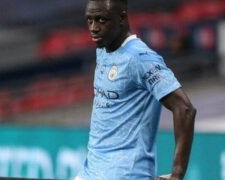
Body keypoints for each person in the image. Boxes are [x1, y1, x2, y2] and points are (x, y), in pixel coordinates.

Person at [76, 0, 196, 179]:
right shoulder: (103, 47)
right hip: (92, 170)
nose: (93, 28)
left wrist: (177, 174)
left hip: (125, 173)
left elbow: (185, 109)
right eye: (89, 20)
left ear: (122, 18)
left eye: (101, 20)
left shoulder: (140, 58)